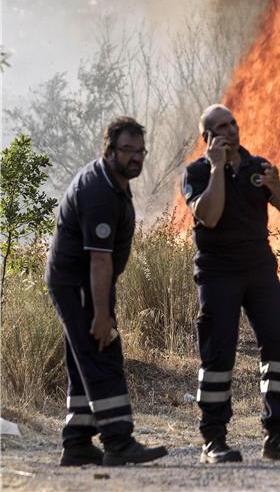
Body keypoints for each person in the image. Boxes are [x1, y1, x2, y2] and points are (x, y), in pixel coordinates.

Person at [182, 104, 280, 463]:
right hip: (217, 272)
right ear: (206, 137)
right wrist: (216, 168)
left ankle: (276, 434)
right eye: (221, 127)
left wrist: (275, 184)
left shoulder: (258, 167)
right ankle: (213, 440)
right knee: (218, 354)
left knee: (279, 344)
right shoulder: (196, 172)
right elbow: (208, 216)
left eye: (233, 123)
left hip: (259, 271)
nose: (231, 130)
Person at [45, 117, 168, 466]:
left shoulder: (113, 180)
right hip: (80, 283)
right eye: (128, 150)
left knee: (83, 356)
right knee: (103, 351)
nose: (136, 158)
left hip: (86, 281)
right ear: (109, 150)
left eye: (140, 151)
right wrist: (101, 315)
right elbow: (99, 261)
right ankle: (118, 441)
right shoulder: (98, 191)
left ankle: (77, 442)